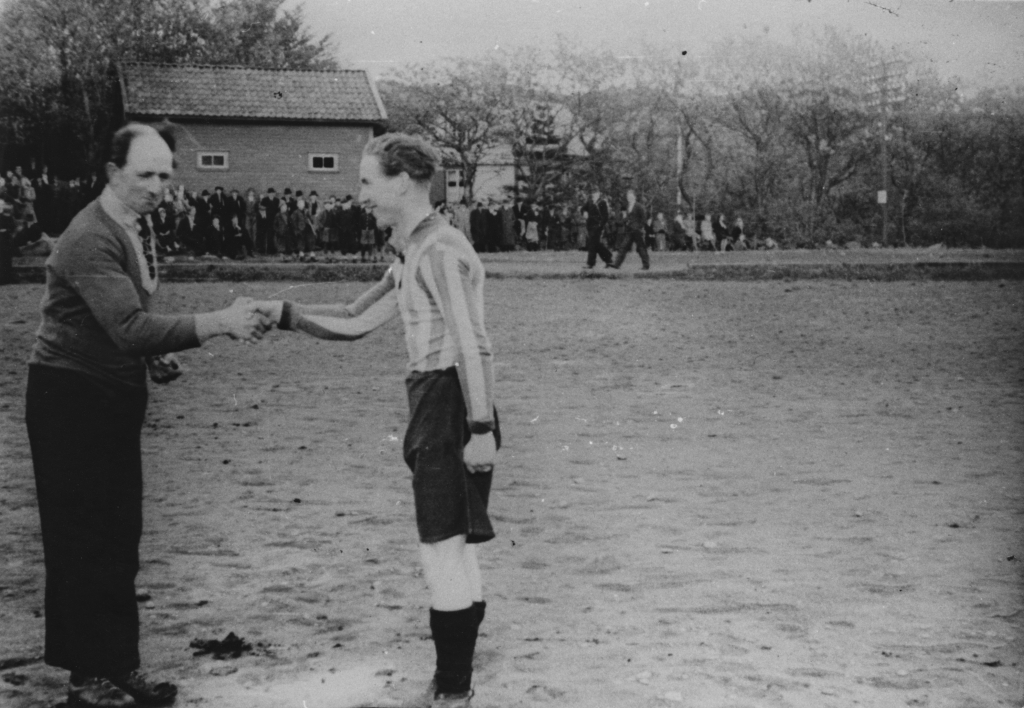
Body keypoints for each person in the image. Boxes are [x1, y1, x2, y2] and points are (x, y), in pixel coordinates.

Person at [25, 123, 269, 708]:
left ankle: (103, 668)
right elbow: (128, 326)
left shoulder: (133, 224)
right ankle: (95, 675)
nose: (159, 186)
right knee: (86, 539)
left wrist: (156, 354)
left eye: (166, 174)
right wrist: (219, 323)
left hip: (108, 393)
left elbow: (130, 316)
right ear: (112, 174)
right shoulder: (89, 237)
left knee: (116, 536)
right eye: (145, 175)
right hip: (71, 402)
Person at [250, 133, 499, 708]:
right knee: (454, 549)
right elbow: (356, 319)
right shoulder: (410, 252)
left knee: (442, 549)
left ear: (404, 182)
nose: (359, 194)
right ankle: (454, 681)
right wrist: (285, 314)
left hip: (452, 405)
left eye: (366, 182)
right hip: (432, 402)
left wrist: (481, 431)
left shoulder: (438, 250)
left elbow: (473, 345)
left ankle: (454, 691)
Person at [610, 189, 650, 270]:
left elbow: (644, 218)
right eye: (628, 196)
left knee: (641, 247)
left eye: (630, 196)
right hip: (630, 230)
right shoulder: (628, 205)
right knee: (623, 247)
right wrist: (620, 222)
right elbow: (628, 217)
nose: (629, 198)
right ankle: (617, 264)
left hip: (637, 231)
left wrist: (639, 227)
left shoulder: (639, 206)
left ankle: (646, 265)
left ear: (634, 197)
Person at [581, 189, 613, 268]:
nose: (594, 194)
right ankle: (608, 258)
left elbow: (605, 216)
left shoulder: (602, 202)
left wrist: (600, 226)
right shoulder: (590, 202)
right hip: (590, 226)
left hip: (597, 226)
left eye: (596, 193)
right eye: (593, 193)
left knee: (592, 244)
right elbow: (582, 209)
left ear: (599, 194)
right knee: (596, 244)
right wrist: (584, 212)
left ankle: (590, 263)